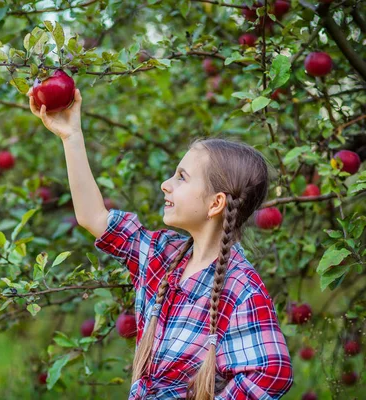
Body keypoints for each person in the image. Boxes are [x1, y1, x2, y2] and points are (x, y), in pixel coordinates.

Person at [27, 87, 293, 399]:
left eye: (182, 177)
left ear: (215, 203)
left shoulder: (241, 289)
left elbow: (273, 371)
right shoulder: (162, 256)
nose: (166, 184)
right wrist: (71, 136)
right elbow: (94, 218)